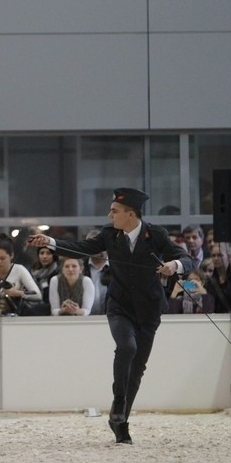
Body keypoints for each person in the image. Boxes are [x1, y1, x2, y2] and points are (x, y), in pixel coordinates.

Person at [28, 187, 193, 445]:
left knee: (137, 369)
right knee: (126, 347)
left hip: (149, 310)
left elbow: (185, 258)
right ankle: (118, 400)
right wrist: (50, 242)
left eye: (114, 211)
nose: (109, 215)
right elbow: (81, 247)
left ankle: (120, 421)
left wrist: (175, 266)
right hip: (119, 307)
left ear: (130, 214)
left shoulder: (156, 235)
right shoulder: (109, 235)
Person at [0, 239, 42, 316]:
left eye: (2, 258)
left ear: (11, 256)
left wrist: (18, 293)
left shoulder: (19, 270)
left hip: (16, 314)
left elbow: (38, 295)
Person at [206, 242, 231, 313]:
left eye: (220, 255)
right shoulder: (209, 281)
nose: (216, 258)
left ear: (229, 256)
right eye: (213, 256)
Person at [84, 229, 111, 315]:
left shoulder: (116, 267)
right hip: (84, 319)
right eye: (92, 245)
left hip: (110, 318)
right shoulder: (81, 267)